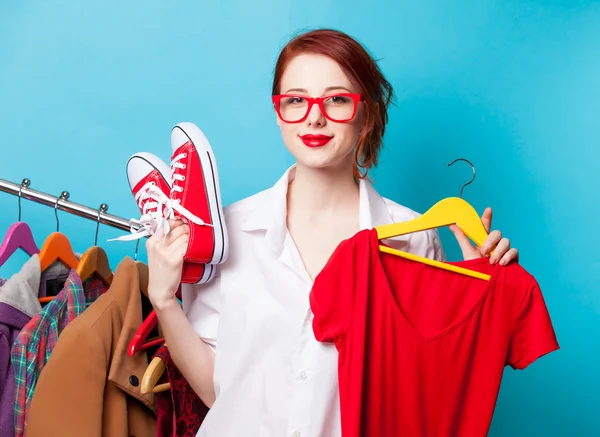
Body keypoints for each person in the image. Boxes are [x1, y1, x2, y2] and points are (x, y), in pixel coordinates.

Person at [145, 28, 519, 436]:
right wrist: (164, 300)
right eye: (296, 100)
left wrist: (475, 297)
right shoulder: (225, 231)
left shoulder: (413, 238)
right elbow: (221, 391)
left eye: (337, 99)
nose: (315, 117)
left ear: (368, 114)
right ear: (278, 112)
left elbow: (426, 391)